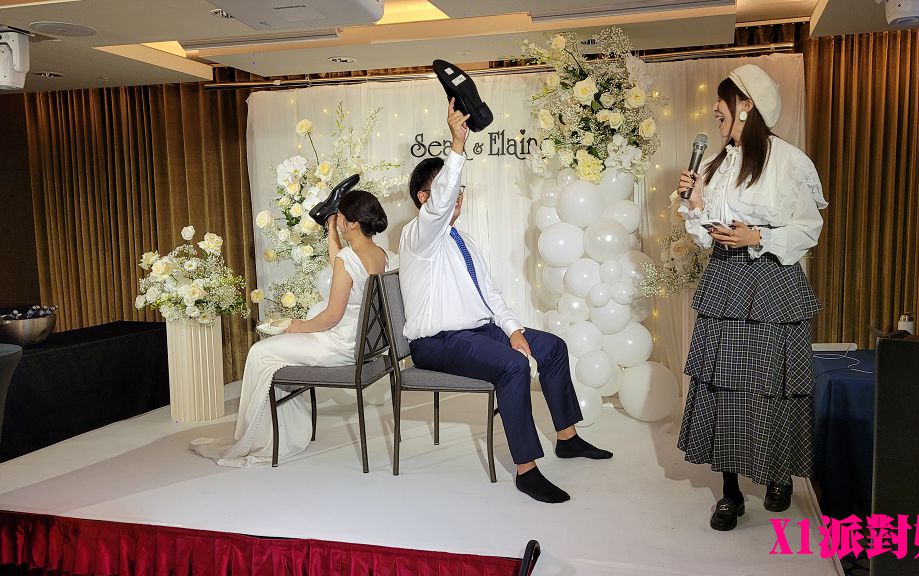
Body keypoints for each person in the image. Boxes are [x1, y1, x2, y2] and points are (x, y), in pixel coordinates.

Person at [399, 98, 612, 503]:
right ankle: (526, 470)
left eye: (458, 192)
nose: (455, 198)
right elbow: (440, 205)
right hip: (436, 342)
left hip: (478, 332)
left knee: (552, 347)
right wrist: (457, 144)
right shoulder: (418, 237)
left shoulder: (463, 240)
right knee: (514, 366)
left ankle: (567, 438)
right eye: (446, 192)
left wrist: (513, 330)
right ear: (425, 198)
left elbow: (491, 294)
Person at [674, 64, 828, 530]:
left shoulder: (789, 160)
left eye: (721, 102)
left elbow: (809, 228)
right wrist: (696, 206)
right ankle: (730, 491)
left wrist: (757, 236)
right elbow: (705, 235)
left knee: (771, 384)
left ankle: (779, 474)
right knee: (723, 386)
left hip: (772, 281)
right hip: (726, 279)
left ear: (746, 105)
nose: (714, 110)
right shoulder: (717, 164)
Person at [191, 190, 397, 467]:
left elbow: (331, 316)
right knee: (271, 356)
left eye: (340, 218)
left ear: (352, 223)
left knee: (260, 353)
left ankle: (258, 439)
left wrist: (296, 326)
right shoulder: (379, 255)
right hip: (360, 344)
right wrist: (331, 231)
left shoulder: (347, 259)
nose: (338, 221)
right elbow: (342, 267)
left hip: (339, 345)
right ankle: (284, 432)